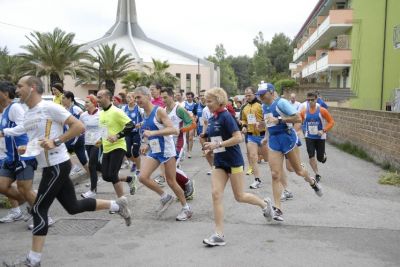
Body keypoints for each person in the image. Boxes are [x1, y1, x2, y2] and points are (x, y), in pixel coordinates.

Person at [5, 76, 131, 267]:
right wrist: (28, 148)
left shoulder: (50, 107)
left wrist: (56, 141)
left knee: (39, 208)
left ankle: (33, 260)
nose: (17, 89)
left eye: (20, 86)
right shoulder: (29, 113)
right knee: (72, 207)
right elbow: (35, 137)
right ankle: (116, 205)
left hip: (58, 164)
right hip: (49, 166)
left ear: (32, 88)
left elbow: (78, 126)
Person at [201, 87, 272, 247]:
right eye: (206, 101)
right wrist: (208, 146)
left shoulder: (226, 116)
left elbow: (238, 137)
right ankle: (218, 234)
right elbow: (216, 141)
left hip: (233, 162)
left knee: (239, 196)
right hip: (220, 162)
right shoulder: (213, 118)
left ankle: (264, 204)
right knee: (216, 194)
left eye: (209, 101)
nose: (207, 104)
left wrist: (217, 143)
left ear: (219, 100)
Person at [257, 82, 323, 223]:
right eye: (259, 95)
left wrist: (279, 119)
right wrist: (265, 136)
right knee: (275, 174)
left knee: (297, 170)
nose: (261, 97)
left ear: (271, 92)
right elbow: (269, 123)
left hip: (287, 138)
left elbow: (298, 118)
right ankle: (277, 208)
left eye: (263, 94)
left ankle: (312, 181)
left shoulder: (281, 103)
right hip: (274, 141)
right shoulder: (263, 106)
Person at [134, 86, 193, 221]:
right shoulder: (145, 113)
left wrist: (153, 133)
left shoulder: (159, 111)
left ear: (148, 96)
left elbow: (173, 130)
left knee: (171, 181)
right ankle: (165, 196)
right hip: (155, 150)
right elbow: (147, 129)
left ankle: (186, 209)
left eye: (139, 97)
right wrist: (145, 143)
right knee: (142, 177)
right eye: (135, 97)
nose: (137, 100)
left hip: (166, 150)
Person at [0, 81, 40, 225]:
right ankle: (29, 205)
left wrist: (4, 132)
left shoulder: (15, 107)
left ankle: (41, 215)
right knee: (2, 186)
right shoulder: (4, 111)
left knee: (25, 189)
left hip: (23, 154)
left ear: (5, 93)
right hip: (11, 156)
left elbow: (25, 125)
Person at [96, 89, 134, 198]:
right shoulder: (102, 113)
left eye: (100, 97)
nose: (97, 99)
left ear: (107, 97)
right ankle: (130, 179)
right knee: (105, 176)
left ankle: (122, 201)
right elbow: (104, 130)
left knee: (112, 175)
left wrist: (117, 136)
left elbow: (130, 125)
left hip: (118, 146)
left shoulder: (116, 111)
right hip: (107, 147)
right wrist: (100, 141)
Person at [161, 87, 196, 199]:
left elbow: (192, 124)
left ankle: (187, 183)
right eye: (162, 97)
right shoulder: (162, 110)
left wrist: (180, 130)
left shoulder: (179, 109)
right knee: (170, 171)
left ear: (172, 96)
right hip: (167, 142)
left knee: (170, 169)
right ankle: (184, 190)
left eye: (165, 97)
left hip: (178, 142)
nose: (163, 99)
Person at [300, 92, 334, 182]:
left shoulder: (322, 110)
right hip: (309, 137)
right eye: (308, 100)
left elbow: (331, 122)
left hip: (320, 137)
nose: (310, 102)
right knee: (311, 156)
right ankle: (317, 174)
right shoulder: (304, 112)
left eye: (312, 100)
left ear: (316, 100)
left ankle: (323, 156)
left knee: (320, 158)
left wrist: (323, 130)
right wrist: (304, 129)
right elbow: (300, 121)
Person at [240, 86, 268, 189]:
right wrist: (243, 126)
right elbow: (243, 119)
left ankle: (278, 175)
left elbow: (268, 119)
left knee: (268, 159)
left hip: (263, 135)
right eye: (246, 95)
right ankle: (257, 180)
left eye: (249, 95)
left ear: (254, 94)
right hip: (251, 135)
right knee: (253, 157)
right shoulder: (245, 107)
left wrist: (261, 123)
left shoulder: (261, 105)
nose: (247, 97)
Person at [79, 95, 102, 199]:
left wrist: (102, 140)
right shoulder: (83, 115)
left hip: (98, 143)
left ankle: (93, 190)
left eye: (87, 102)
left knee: (91, 165)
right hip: (87, 142)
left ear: (94, 103)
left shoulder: (101, 114)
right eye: (85, 102)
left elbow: (106, 128)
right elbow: (80, 128)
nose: (85, 104)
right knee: (97, 166)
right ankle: (122, 177)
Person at [120, 91, 143, 195]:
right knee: (128, 153)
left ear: (134, 99)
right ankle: (134, 162)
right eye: (127, 97)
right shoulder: (123, 109)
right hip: (127, 133)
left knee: (136, 152)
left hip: (136, 133)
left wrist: (140, 124)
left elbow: (145, 119)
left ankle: (138, 169)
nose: (128, 99)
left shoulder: (139, 109)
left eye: (130, 97)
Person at [62, 91, 89, 177]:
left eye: (64, 98)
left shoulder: (75, 109)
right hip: (72, 136)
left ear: (70, 99)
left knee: (60, 148)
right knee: (83, 159)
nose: (62, 100)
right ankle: (93, 177)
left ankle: (73, 166)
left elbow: (84, 119)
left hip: (77, 137)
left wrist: (83, 129)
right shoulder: (65, 109)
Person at [184, 91, 196, 158]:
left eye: (190, 97)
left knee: (190, 137)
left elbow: (196, 114)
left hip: (192, 122)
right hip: (185, 122)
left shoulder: (195, 104)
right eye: (187, 97)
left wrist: (194, 118)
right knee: (186, 137)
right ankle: (187, 149)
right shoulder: (184, 104)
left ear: (192, 97)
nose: (189, 98)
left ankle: (190, 151)